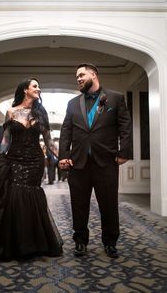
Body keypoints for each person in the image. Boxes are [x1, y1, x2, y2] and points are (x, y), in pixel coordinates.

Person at [0, 78, 63, 261]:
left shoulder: (41, 112)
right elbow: (6, 140)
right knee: (12, 195)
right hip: (13, 159)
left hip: (35, 161)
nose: (39, 89)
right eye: (35, 86)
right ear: (25, 90)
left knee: (28, 195)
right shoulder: (11, 111)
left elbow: (49, 140)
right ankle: (13, 242)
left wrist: (62, 156)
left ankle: (31, 242)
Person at [59, 63, 132, 259]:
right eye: (77, 77)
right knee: (78, 204)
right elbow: (66, 131)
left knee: (108, 204)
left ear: (94, 74)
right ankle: (80, 241)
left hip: (106, 161)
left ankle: (110, 242)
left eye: (82, 75)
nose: (79, 79)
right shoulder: (73, 103)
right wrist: (64, 155)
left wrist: (124, 152)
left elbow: (125, 128)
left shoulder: (116, 98)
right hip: (78, 162)